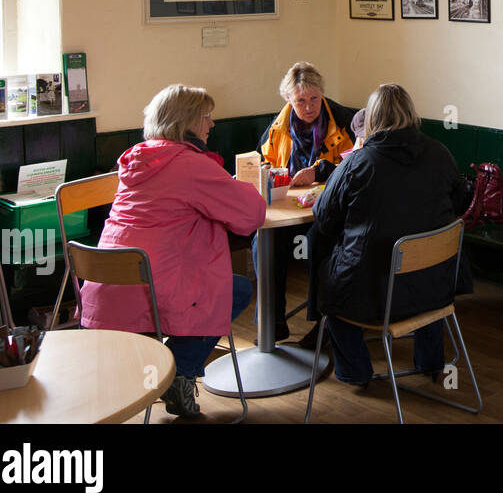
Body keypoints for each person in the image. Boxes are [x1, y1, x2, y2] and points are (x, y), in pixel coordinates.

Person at [80, 84, 265, 417]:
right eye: (206, 117)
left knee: (202, 284)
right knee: (236, 289)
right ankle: (178, 371)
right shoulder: (191, 165)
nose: (211, 125)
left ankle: (162, 370)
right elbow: (252, 214)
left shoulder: (138, 159)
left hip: (103, 292)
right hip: (152, 290)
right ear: (188, 122)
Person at [308, 84, 465, 385]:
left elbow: (324, 219)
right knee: (420, 264)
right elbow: (457, 204)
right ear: (410, 112)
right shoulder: (440, 153)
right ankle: (430, 362)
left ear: (372, 119)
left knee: (331, 291)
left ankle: (356, 373)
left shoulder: (358, 162)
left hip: (374, 294)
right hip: (438, 285)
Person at [256, 62, 357, 342]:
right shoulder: (277, 128)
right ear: (288, 99)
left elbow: (356, 169)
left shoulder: (344, 120)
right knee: (263, 244)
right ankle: (272, 322)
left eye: (314, 99)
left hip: (332, 211)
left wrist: (321, 170)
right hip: (288, 210)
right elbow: (262, 163)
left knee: (316, 245)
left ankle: (323, 326)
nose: (309, 107)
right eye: (301, 101)